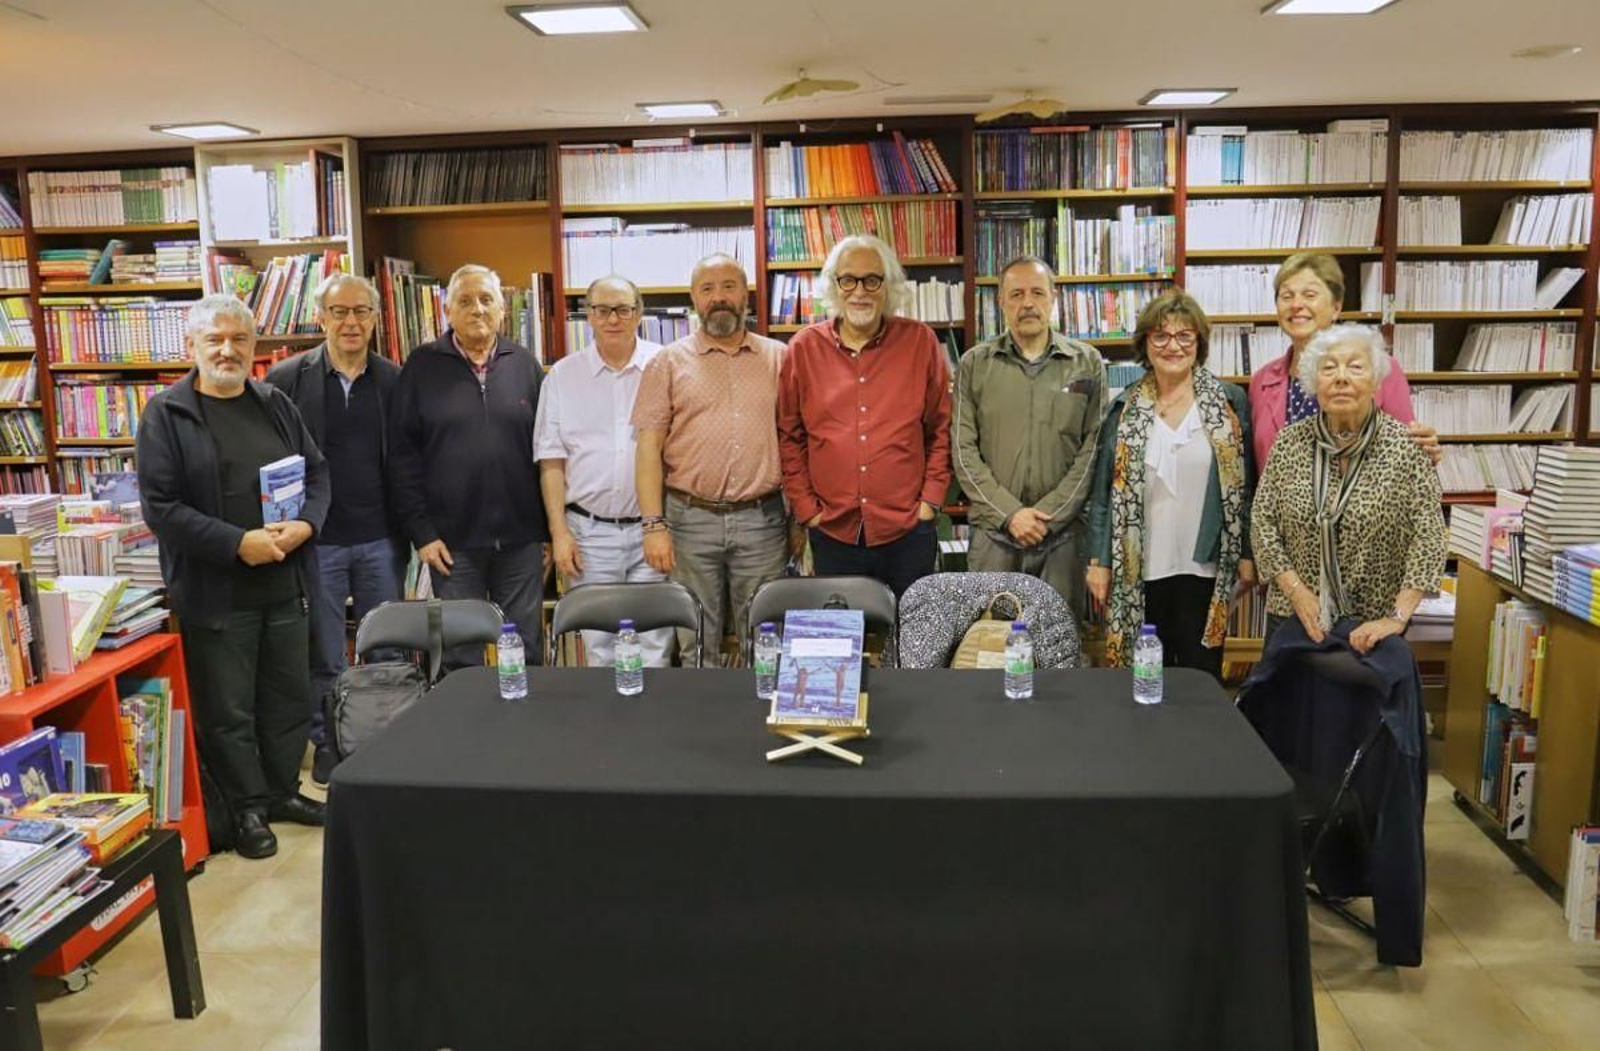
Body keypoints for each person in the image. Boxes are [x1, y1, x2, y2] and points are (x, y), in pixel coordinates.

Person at [137, 295, 330, 859]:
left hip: (285, 583)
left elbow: (317, 473)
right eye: (214, 340)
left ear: (254, 346)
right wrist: (235, 544)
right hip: (216, 592)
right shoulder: (167, 415)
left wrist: (305, 525)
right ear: (192, 347)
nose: (227, 350)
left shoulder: (273, 403)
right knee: (228, 709)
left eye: (239, 340)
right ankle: (245, 809)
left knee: (287, 697)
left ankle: (279, 792)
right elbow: (162, 508)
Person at [265, 273, 403, 786]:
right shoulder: (286, 379)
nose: (350, 322)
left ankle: (382, 737)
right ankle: (329, 742)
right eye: (339, 312)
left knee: (384, 646)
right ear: (320, 317)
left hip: (381, 539)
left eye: (361, 311)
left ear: (374, 319)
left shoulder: (393, 379)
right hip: (316, 541)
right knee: (322, 650)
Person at [1084, 290, 1254, 678]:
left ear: (1199, 343)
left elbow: (1247, 487)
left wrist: (1247, 553)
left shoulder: (1229, 402)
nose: (1172, 346)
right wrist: (1099, 563)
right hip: (1140, 567)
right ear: (1145, 343)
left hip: (1207, 567)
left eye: (1184, 336)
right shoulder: (1123, 408)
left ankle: (1198, 741)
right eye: (1160, 336)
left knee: (1200, 677)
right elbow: (1102, 495)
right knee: (1145, 677)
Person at [632, 253, 789, 665]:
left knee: (766, 638)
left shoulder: (780, 358)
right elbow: (648, 449)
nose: (719, 297)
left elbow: (798, 440)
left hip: (763, 521)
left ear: (746, 296)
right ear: (694, 300)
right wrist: (653, 526)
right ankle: (700, 728)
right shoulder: (666, 363)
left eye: (728, 287)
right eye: (707, 289)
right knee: (697, 641)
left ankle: (761, 722)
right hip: (689, 521)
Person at [1251, 324, 1447, 652]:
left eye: (1355, 367)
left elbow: (1429, 538)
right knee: (1288, 703)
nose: (1341, 377)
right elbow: (1262, 522)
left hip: (1372, 627)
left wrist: (1397, 618)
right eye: (1328, 368)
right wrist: (1297, 591)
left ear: (1375, 379)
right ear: (1314, 382)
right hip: (1294, 617)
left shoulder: (1407, 446)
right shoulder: (1289, 442)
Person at [389, 264, 548, 666]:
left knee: (525, 650)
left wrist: (548, 531)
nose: (477, 309)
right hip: (451, 546)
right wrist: (422, 534)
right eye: (465, 301)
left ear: (502, 310)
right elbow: (402, 458)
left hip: (521, 543)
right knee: (461, 656)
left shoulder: (525, 365)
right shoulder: (421, 368)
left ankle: (525, 727)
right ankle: (472, 729)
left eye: (486, 299)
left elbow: (547, 453)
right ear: (446, 311)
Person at [777, 234, 951, 597]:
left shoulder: (921, 343)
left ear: (888, 287)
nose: (860, 291)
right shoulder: (803, 349)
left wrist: (929, 503)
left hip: (908, 528)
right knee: (842, 646)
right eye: (848, 280)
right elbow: (789, 436)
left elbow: (942, 428)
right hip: (833, 530)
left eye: (872, 279)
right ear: (834, 286)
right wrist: (808, 511)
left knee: (914, 641)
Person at [952, 254, 1106, 615]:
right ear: (1000, 301)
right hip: (994, 537)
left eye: (1037, 293)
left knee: (1058, 649)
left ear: (1054, 298)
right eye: (1016, 294)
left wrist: (1047, 515)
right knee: (987, 649)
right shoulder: (975, 364)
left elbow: (1093, 451)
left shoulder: (1087, 363)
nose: (1027, 303)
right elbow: (963, 452)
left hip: (1063, 539)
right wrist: (1010, 515)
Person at [535, 275, 673, 666]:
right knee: (599, 649)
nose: (613, 319)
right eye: (602, 310)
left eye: (623, 309)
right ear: (588, 317)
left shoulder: (663, 366)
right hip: (589, 534)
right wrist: (559, 533)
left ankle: (650, 728)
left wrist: (658, 526)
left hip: (652, 530)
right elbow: (551, 461)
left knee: (654, 649)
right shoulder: (562, 376)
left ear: (639, 314)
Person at [1251, 252, 1440, 467]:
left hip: (1365, 500)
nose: (1296, 304)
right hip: (1283, 501)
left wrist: (1426, 449)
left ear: (1336, 307)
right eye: (1286, 296)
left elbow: (1407, 452)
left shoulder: (1380, 368)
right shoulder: (1261, 381)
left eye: (1310, 294)